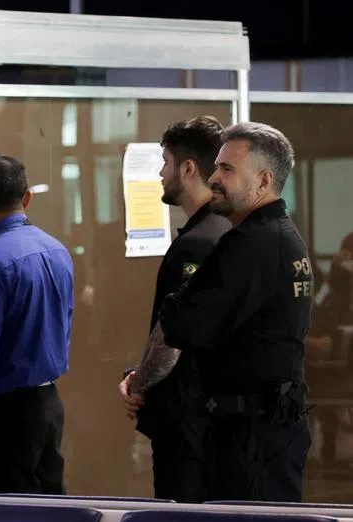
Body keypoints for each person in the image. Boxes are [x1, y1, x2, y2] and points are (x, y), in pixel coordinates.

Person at [155, 122, 312, 502]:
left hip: (249, 438)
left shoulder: (250, 243)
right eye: (217, 167)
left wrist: (179, 301)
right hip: (265, 429)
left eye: (228, 170)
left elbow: (182, 323)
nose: (214, 178)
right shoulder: (281, 235)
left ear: (263, 180)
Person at [119, 116, 231, 502]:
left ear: (187, 168)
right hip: (201, 420)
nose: (160, 174)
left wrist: (139, 382)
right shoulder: (218, 232)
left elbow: (173, 335)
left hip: (189, 424)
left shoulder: (199, 244)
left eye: (165, 162)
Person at [0, 155, 73, 495]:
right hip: (50, 404)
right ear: (26, 198)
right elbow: (64, 325)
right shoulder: (57, 251)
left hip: (6, 416)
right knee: (55, 517)